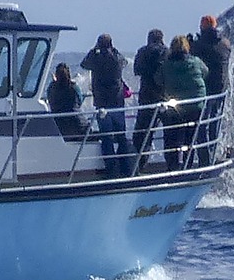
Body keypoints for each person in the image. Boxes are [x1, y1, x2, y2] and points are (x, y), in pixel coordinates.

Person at [77, 33, 132, 178]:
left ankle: (111, 168)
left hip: (102, 104)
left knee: (106, 137)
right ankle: (126, 168)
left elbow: (84, 64)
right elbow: (125, 62)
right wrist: (113, 50)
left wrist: (93, 50)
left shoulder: (95, 58)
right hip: (117, 102)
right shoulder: (116, 57)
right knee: (121, 136)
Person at [159, 36, 209, 170]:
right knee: (190, 138)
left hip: (176, 107)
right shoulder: (196, 61)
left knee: (172, 138)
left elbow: (158, 79)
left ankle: (173, 167)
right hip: (195, 104)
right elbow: (205, 72)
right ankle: (188, 165)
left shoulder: (166, 65)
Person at [189, 15, 232, 164]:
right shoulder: (225, 44)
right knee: (214, 122)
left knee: (202, 124)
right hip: (221, 89)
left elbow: (194, 53)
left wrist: (190, 43)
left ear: (202, 27)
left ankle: (204, 158)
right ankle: (212, 152)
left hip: (207, 90)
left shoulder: (201, 45)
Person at [132, 28, 168, 169]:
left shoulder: (142, 52)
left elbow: (136, 70)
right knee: (171, 132)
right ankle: (173, 163)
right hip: (165, 97)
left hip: (146, 97)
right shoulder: (166, 52)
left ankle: (139, 165)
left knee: (142, 134)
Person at [46, 63, 87, 143]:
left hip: (59, 127)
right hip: (77, 126)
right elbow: (79, 101)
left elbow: (50, 100)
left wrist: (54, 82)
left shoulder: (51, 88)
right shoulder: (74, 87)